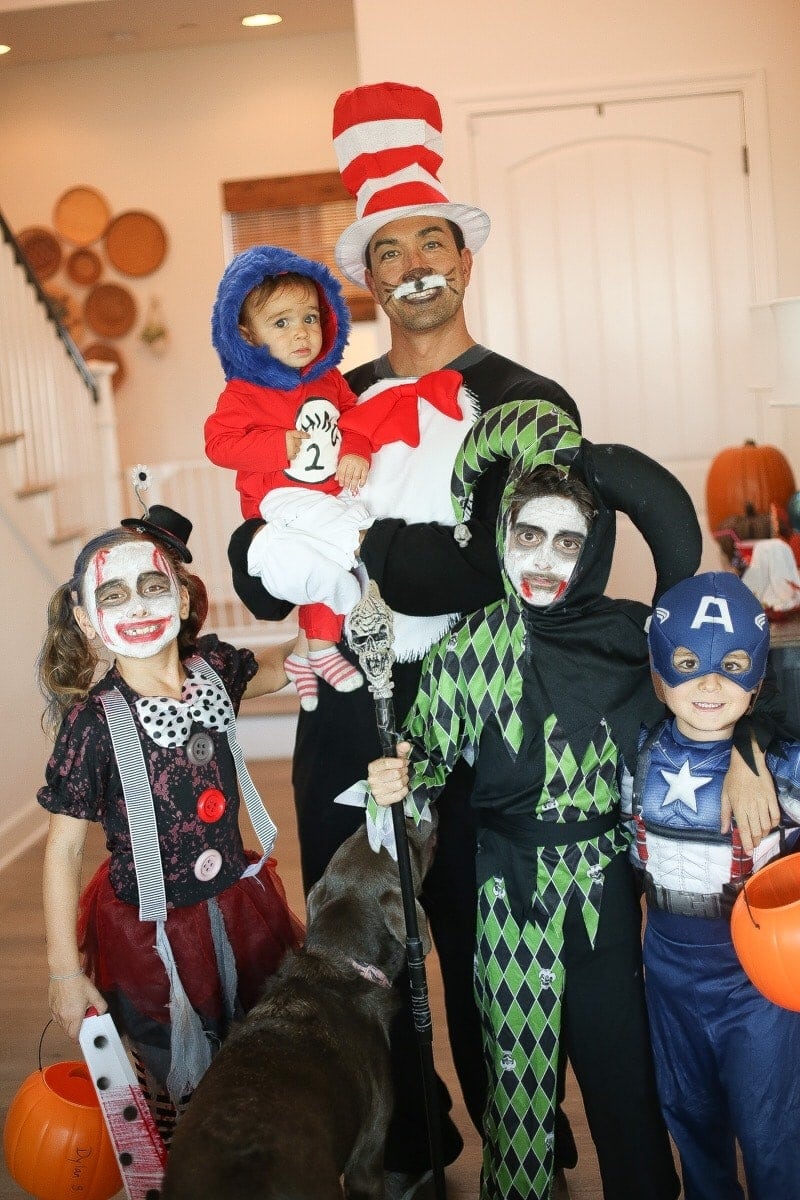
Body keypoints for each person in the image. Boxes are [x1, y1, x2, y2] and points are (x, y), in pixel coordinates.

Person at [226, 82, 774, 1196]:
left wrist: (341, 529)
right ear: (366, 276)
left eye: (435, 239)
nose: (416, 263)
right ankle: (401, 1157)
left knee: (484, 966)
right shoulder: (325, 395)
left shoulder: (527, 400)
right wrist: (288, 539)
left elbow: (489, 566)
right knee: (361, 955)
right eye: (391, 248)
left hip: (487, 720)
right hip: (352, 716)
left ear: (463, 260)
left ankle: (527, 1157)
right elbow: (257, 568)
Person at [368, 402, 700, 1199]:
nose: (545, 560)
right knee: (516, 1092)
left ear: (592, 553)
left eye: (568, 542)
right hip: (507, 887)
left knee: (623, 1080)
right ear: (502, 537)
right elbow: (427, 765)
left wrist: (750, 763)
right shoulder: (467, 648)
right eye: (528, 536)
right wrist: (400, 781)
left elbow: (707, 713)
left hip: (603, 889)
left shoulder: (632, 639)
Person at [37, 501, 303, 1145]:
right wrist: (65, 972)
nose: (136, 605)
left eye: (153, 586)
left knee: (260, 1055)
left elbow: (282, 667)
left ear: (182, 600)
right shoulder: (93, 723)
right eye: (114, 594)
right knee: (177, 1082)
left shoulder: (215, 671)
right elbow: (63, 852)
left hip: (240, 903)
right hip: (151, 930)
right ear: (88, 620)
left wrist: (329, 608)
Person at [206, 244, 461, 712]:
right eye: (280, 323)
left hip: (326, 495)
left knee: (328, 566)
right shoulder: (243, 393)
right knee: (344, 550)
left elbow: (354, 423)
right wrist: (273, 445)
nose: (301, 333)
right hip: (279, 501)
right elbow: (218, 444)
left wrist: (358, 452)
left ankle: (310, 651)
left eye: (309, 318)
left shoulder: (331, 382)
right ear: (246, 334)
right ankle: (326, 636)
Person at [626, 570, 800, 1200]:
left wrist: (753, 751)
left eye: (731, 665)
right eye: (686, 661)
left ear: (755, 685)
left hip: (759, 986)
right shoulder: (635, 760)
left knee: (772, 1129)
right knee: (691, 1119)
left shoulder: (783, 769)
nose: (708, 683)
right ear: (656, 675)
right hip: (668, 974)